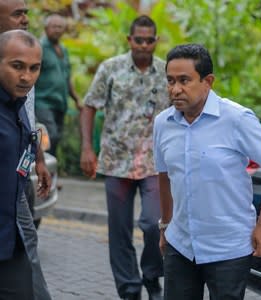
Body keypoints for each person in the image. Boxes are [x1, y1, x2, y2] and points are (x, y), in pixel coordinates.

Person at [153, 44, 261, 300]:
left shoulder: (236, 119)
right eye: (170, 81)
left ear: (208, 82)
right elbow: (164, 174)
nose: (175, 89)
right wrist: (165, 226)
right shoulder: (163, 124)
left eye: (184, 80)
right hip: (180, 244)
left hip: (229, 248)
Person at [80, 15, 168, 300]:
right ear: (129, 40)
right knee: (119, 232)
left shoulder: (166, 72)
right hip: (116, 162)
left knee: (154, 223)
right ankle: (129, 289)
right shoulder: (111, 69)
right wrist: (87, 148)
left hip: (155, 163)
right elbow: (89, 106)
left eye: (149, 40)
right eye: (138, 39)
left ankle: (152, 276)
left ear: (156, 41)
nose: (144, 45)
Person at [0, 1, 52, 300]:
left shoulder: (18, 95)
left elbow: (27, 122)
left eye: (34, 69)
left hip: (17, 181)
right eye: (17, 13)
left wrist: (38, 159)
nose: (27, 77)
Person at [35, 13, 82, 156]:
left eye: (61, 27)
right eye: (54, 26)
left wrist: (77, 99)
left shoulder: (63, 49)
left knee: (56, 140)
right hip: (42, 102)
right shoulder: (39, 47)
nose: (57, 30)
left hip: (60, 104)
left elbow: (66, 77)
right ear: (46, 27)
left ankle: (49, 174)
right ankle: (38, 166)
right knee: (50, 136)